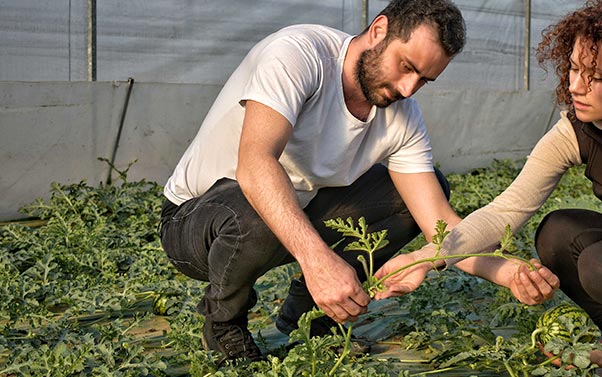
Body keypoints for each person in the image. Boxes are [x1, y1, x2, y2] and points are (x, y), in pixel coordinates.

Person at [159, 0, 557, 365]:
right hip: (196, 221)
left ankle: (313, 315)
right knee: (256, 208)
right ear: (379, 30)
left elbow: (440, 223)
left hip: (290, 214)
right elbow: (254, 165)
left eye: (423, 80)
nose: (407, 89)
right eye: (406, 66)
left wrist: (506, 272)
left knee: (412, 198)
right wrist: (318, 262)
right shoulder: (299, 55)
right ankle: (224, 323)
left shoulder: (402, 116)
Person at [374, 0, 602, 370]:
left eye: (596, 78)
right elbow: (506, 210)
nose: (576, 86)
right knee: (557, 233)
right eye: (574, 69)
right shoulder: (578, 128)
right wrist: (426, 258)